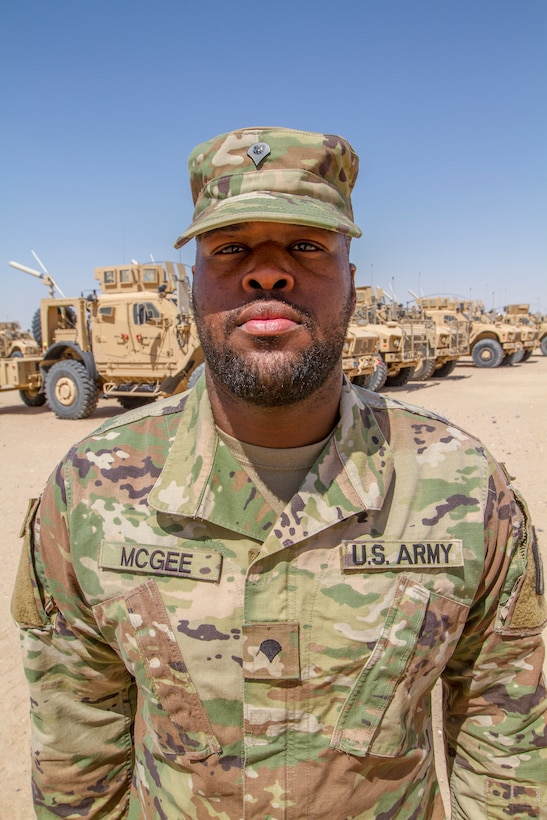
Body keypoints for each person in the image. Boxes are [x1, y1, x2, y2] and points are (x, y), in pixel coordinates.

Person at [11, 126, 547, 819]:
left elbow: (505, 752)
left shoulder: (464, 487)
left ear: (352, 284)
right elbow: (75, 758)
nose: (267, 273)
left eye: (305, 246)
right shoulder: (89, 489)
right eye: (231, 248)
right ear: (191, 284)